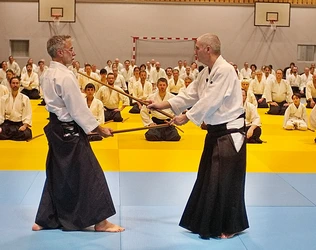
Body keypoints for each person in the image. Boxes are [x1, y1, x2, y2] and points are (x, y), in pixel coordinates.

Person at [148, 33, 248, 239]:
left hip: (229, 134)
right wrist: (163, 104)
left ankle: (231, 225)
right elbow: (190, 94)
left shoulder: (226, 71)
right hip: (215, 133)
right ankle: (205, 222)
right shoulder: (206, 72)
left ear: (208, 49)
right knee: (208, 179)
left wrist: (186, 117)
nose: (195, 52)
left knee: (225, 181)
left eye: (197, 48)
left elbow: (211, 101)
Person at [32, 35, 124, 233]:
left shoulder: (48, 74)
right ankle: (101, 222)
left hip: (56, 129)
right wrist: (99, 129)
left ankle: (45, 218)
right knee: (91, 174)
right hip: (69, 131)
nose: (73, 52)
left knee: (57, 173)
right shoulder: (65, 77)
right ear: (60, 52)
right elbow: (78, 109)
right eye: (70, 49)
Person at [0, 77, 32, 141]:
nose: (15, 85)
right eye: (13, 83)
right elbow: (0, 114)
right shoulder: (4, 98)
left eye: (17, 83)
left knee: (27, 134)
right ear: (10, 84)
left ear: (19, 84)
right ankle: (13, 135)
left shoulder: (25, 98)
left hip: (19, 124)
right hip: (7, 124)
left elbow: (28, 113)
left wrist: (25, 126)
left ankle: (9, 135)